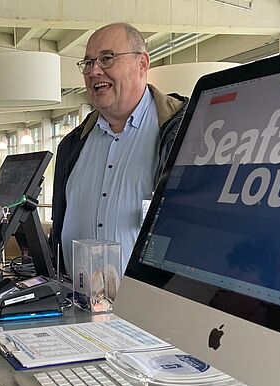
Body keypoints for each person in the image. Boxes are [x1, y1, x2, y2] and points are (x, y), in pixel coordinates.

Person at [51, 22, 187, 276]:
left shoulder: (182, 132)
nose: (94, 71)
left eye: (107, 58)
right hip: (74, 307)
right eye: (88, 63)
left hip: (148, 311)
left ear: (142, 64)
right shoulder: (72, 145)